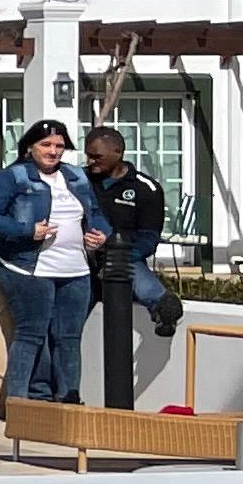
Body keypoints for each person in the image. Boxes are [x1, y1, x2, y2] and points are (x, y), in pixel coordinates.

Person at [0, 117, 101, 407]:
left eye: (60, 145)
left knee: (69, 338)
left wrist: (100, 234)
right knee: (31, 334)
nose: (54, 151)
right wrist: (26, 231)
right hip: (29, 267)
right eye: (46, 144)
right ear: (30, 147)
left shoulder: (76, 177)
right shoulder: (13, 177)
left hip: (76, 269)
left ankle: (68, 401)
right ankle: (19, 403)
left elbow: (95, 212)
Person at [82, 125, 184, 363]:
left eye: (97, 156)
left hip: (123, 258)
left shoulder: (145, 189)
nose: (91, 161)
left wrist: (120, 255)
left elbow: (149, 238)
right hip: (81, 260)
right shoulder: (80, 180)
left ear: (118, 153)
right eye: (88, 155)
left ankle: (163, 307)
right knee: (67, 324)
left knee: (127, 265)